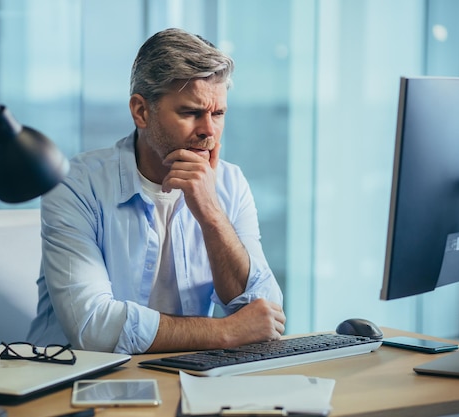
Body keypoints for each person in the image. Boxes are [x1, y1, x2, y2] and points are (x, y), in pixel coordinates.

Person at [27, 28, 285, 354]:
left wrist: (210, 214)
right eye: (191, 112)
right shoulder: (76, 185)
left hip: (183, 379)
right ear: (141, 112)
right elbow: (92, 327)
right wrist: (226, 333)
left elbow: (266, 312)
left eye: (218, 114)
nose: (209, 131)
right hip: (73, 383)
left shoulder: (230, 183)